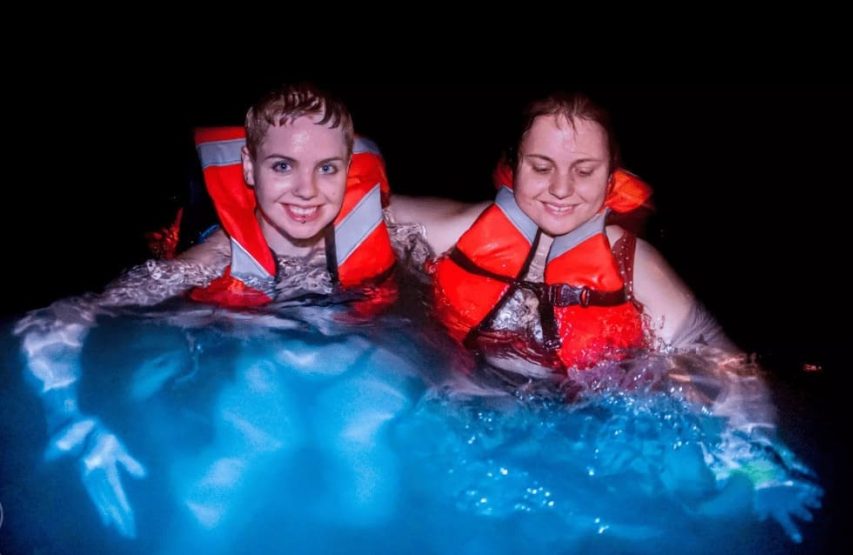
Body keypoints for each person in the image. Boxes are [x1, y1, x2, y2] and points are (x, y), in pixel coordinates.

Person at [12, 83, 433, 538]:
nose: (306, 191)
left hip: (356, 359)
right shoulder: (219, 256)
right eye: (282, 166)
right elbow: (84, 314)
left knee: (370, 501)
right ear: (249, 168)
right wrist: (76, 409)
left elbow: (489, 228)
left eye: (326, 168)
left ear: (347, 169)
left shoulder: (389, 230)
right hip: (254, 366)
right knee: (229, 476)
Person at [391, 91, 735, 377]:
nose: (560, 188)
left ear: (611, 178)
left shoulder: (635, 269)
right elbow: (355, 210)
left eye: (584, 171)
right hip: (466, 398)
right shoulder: (461, 233)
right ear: (515, 167)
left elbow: (731, 377)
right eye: (541, 167)